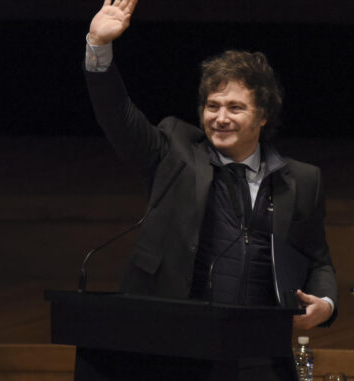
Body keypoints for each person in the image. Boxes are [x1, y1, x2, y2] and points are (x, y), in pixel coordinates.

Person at [83, 0, 338, 379]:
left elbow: (317, 259)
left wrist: (326, 304)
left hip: (257, 351)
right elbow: (118, 116)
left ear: (262, 116)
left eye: (235, 108)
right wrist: (98, 47)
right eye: (212, 105)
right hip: (174, 347)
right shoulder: (174, 152)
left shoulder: (301, 180)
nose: (220, 118)